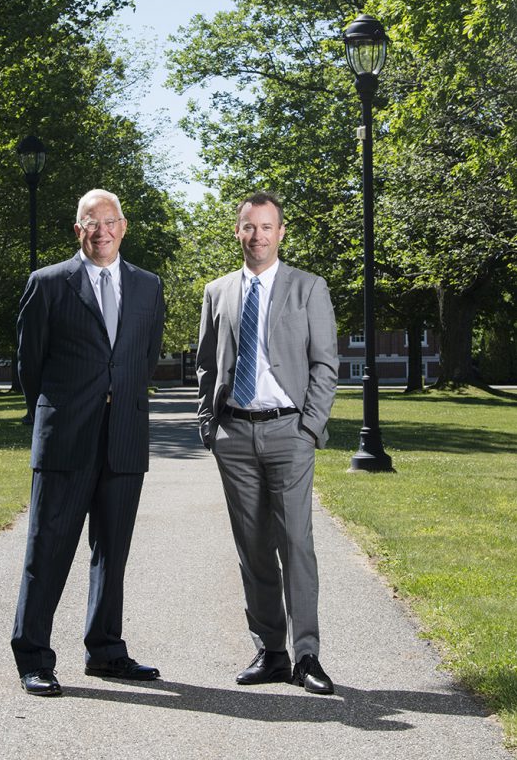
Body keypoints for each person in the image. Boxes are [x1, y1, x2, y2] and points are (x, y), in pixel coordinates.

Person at [11, 189, 165, 696]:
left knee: (112, 552)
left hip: (123, 439)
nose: (101, 229)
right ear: (77, 230)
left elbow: (142, 359)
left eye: (109, 220)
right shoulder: (49, 284)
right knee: (47, 550)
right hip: (65, 441)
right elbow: (29, 366)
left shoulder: (147, 286)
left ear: (124, 226)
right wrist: (59, 413)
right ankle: (34, 656)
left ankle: (105, 651)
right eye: (90, 221)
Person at [196, 191, 338, 695]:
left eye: (266, 227)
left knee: (296, 544)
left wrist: (309, 427)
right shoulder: (217, 291)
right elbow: (207, 364)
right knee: (252, 549)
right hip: (234, 434)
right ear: (238, 231)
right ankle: (271, 651)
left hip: (288, 432)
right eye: (248, 226)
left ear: (280, 233)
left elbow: (325, 365)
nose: (257, 235)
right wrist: (209, 425)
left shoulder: (308, 288)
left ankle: (308, 656)